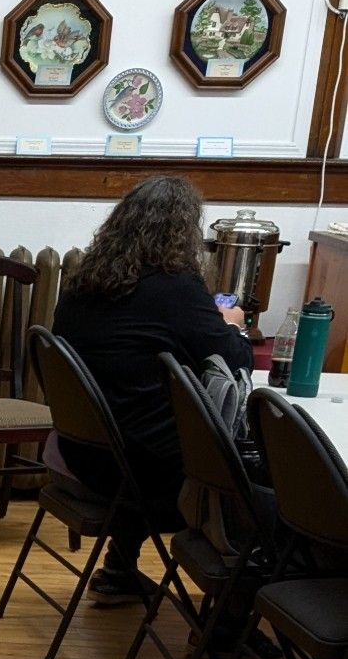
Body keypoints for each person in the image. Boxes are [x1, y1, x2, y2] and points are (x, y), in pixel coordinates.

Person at [52, 175, 253, 605]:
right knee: (253, 480)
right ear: (184, 233)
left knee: (146, 419)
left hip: (82, 452)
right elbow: (231, 362)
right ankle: (227, 625)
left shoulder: (82, 282)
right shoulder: (177, 287)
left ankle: (119, 571)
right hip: (142, 471)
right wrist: (233, 328)